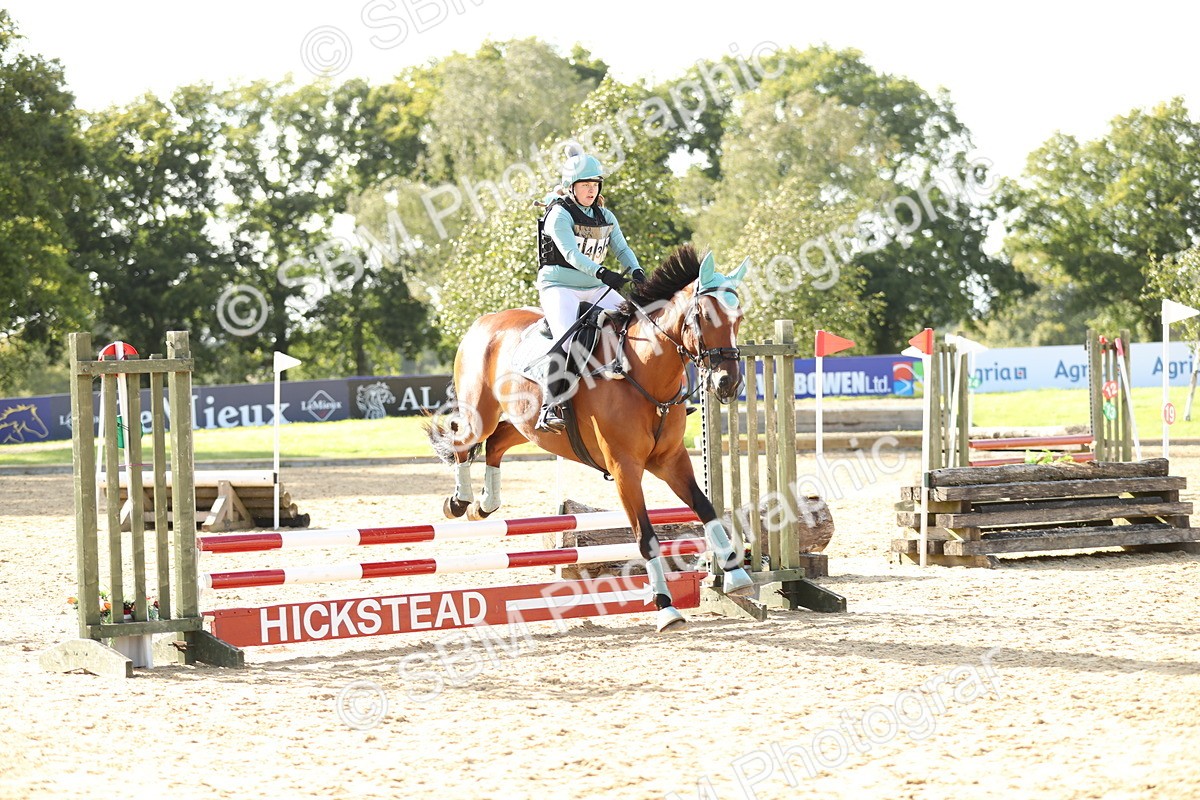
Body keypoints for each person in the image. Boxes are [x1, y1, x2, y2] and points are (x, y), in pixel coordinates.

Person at [534, 149, 644, 432]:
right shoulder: (558, 214)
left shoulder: (605, 215)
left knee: (636, 323)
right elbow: (571, 254)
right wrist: (603, 273)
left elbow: (621, 247)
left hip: (594, 286)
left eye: (595, 185)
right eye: (585, 185)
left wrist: (636, 270)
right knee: (567, 338)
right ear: (572, 187)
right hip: (560, 286)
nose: (591, 191)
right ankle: (550, 406)